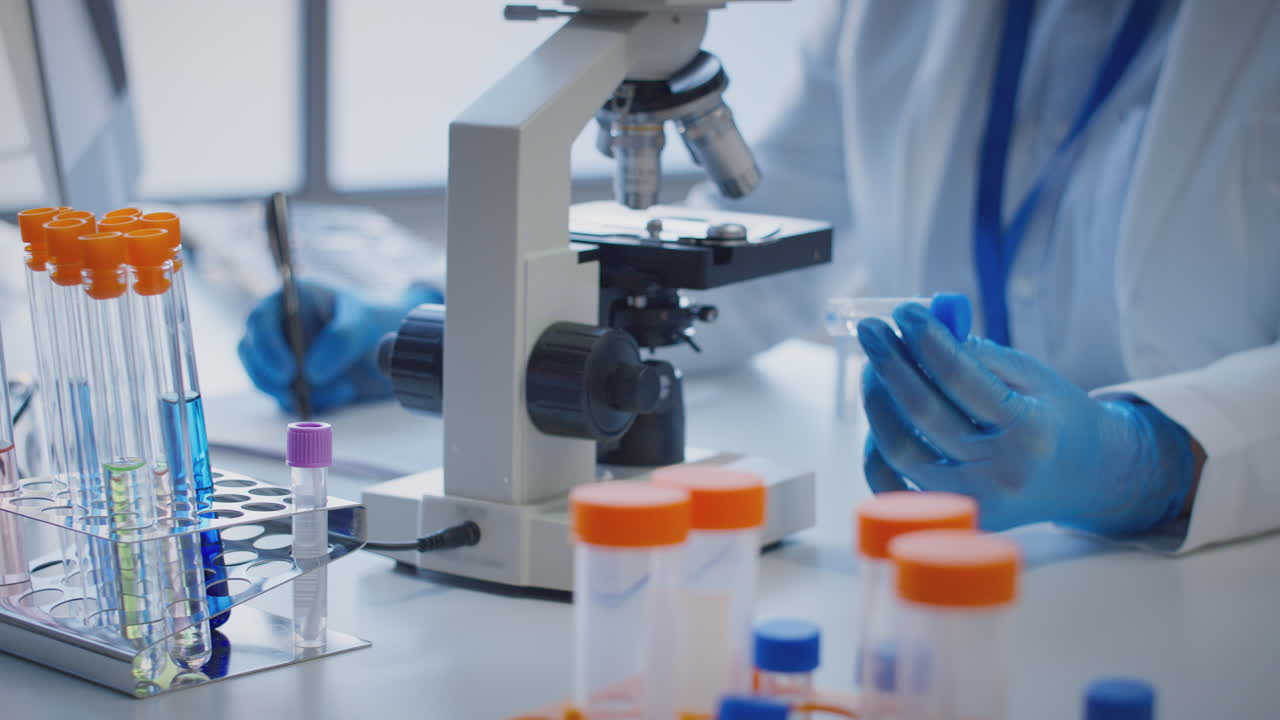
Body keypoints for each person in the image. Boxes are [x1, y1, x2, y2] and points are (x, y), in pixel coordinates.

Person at [240, 0, 1280, 551]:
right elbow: (758, 224)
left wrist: (1151, 455)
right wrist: (456, 322)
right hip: (920, 542)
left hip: (1226, 571)